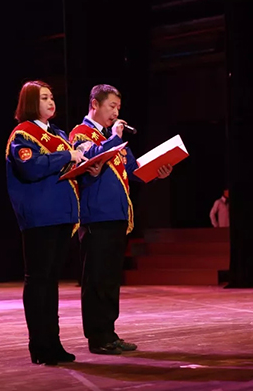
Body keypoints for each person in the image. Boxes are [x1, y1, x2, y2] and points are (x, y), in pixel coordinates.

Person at [70, 84, 172, 355]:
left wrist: (157, 171)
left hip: (117, 214)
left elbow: (133, 170)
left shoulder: (112, 138)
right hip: (96, 216)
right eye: (111, 106)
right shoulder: (81, 133)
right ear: (95, 104)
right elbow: (88, 158)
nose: (116, 113)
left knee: (110, 278)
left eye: (118, 107)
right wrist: (114, 138)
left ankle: (109, 333)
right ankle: (97, 337)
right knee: (96, 278)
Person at [6, 80, 88, 365]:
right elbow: (31, 168)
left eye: (52, 97)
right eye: (44, 97)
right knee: (39, 281)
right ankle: (40, 346)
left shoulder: (58, 134)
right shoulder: (23, 134)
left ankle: (53, 343)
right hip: (40, 217)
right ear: (30, 102)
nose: (51, 102)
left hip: (62, 215)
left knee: (50, 282)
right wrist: (67, 155)